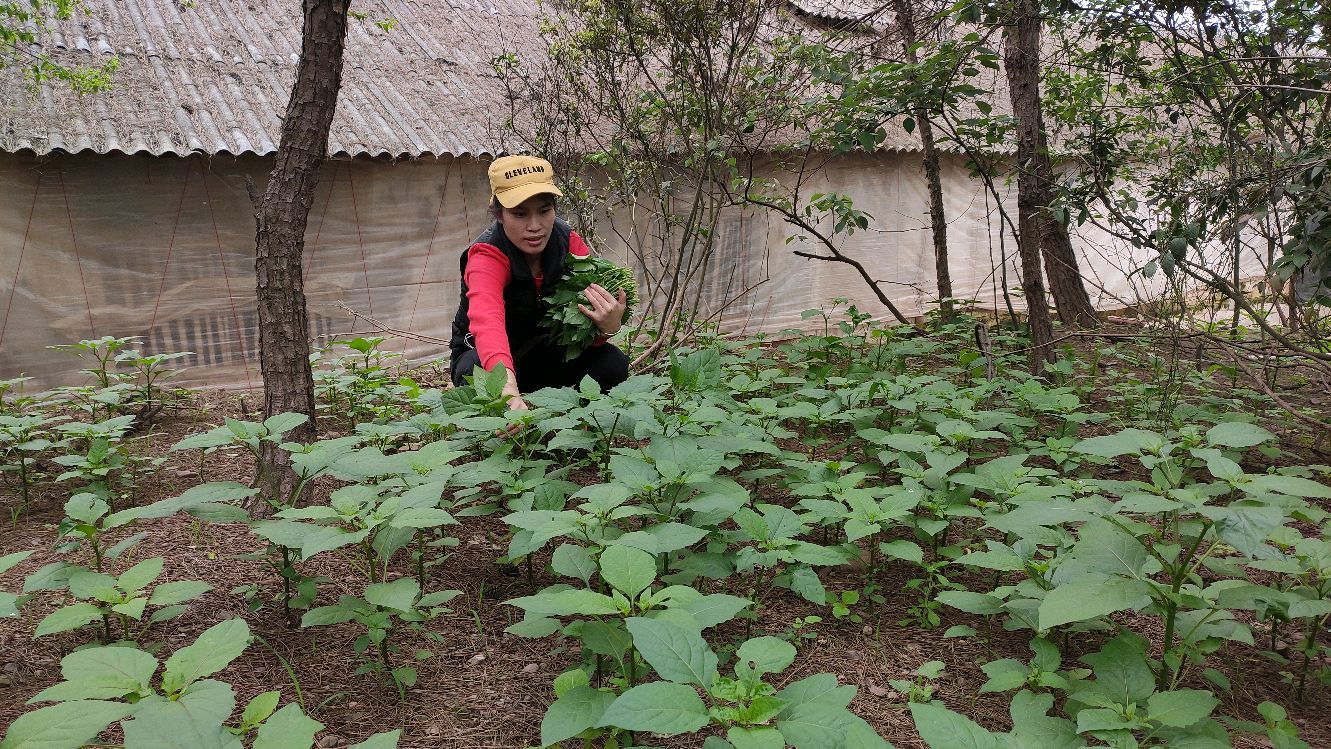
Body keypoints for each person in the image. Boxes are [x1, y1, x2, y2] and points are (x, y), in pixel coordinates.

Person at [449, 155, 630, 413]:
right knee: (476, 376)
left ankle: (577, 427)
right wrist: (507, 389)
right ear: (499, 214)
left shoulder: (569, 244)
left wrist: (605, 330)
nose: (535, 226)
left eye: (544, 210)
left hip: (547, 354)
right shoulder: (486, 256)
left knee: (611, 364)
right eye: (520, 213)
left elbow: (580, 330)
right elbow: (488, 322)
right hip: (488, 355)